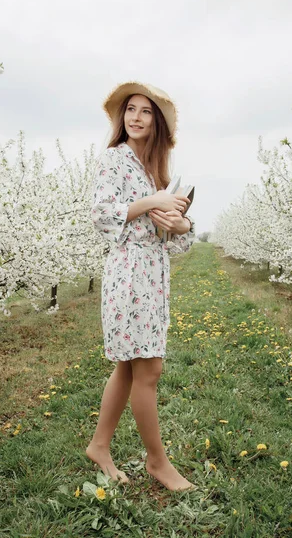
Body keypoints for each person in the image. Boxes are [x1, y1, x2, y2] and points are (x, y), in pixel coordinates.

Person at [86, 82, 196, 491]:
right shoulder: (114, 160)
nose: (135, 117)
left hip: (152, 273)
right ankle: (157, 461)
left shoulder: (155, 170)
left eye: (145, 112)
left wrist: (179, 222)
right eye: (130, 110)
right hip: (128, 273)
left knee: (129, 367)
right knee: (148, 368)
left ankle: (99, 445)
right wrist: (153, 203)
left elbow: (177, 238)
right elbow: (102, 213)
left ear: (157, 123)